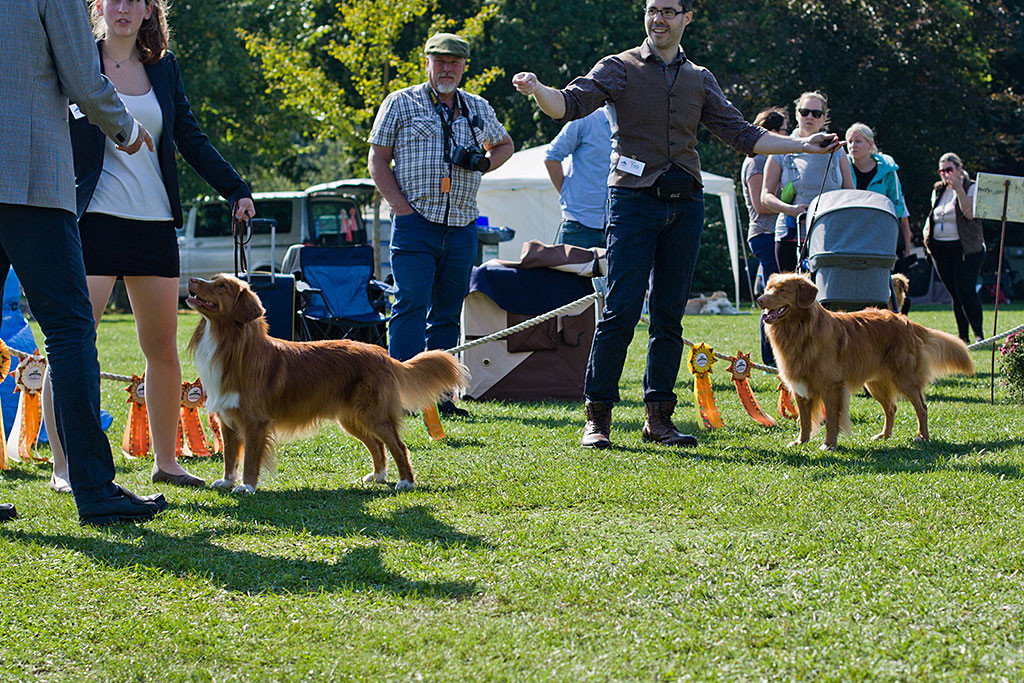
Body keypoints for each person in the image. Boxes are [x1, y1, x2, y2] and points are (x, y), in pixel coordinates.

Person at [512, 0, 841, 449]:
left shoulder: (699, 78)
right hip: (631, 202)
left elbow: (744, 135)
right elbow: (566, 105)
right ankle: (598, 418)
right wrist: (537, 89)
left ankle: (659, 419)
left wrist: (803, 145)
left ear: (687, 17)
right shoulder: (618, 67)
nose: (658, 18)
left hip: (685, 204)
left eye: (669, 10)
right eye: (652, 9)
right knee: (621, 310)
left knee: (669, 315)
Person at [41, 0, 255, 492]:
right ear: (98, 6)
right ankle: (63, 466)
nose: (124, 8)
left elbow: (189, 137)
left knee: (162, 350)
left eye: (135, 0)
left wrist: (236, 189)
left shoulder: (164, 67)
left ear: (147, 11)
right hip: (91, 221)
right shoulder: (75, 59)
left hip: (154, 224)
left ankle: (167, 462)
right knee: (73, 345)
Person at [1, 0, 167, 524]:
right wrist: (126, 129)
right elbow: (81, 74)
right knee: (71, 331)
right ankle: (94, 489)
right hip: (29, 178)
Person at [368, 33, 513, 417]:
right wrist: (400, 207)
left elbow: (505, 145)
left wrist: (484, 163)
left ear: (464, 66)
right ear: (427, 62)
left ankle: (442, 397)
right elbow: (377, 159)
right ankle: (400, 396)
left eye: (454, 62)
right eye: (440, 61)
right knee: (410, 304)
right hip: (414, 222)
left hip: (462, 224)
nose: (447, 68)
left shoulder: (477, 107)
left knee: (448, 312)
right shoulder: (401, 102)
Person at [761, 91, 854, 273]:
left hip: (829, 234)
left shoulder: (837, 150)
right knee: (791, 289)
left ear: (824, 118)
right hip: (791, 233)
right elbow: (765, 197)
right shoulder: (781, 148)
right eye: (805, 112)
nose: (809, 117)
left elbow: (850, 193)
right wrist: (790, 209)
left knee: (824, 289)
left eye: (816, 113)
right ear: (797, 114)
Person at [742, 107, 789, 367]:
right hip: (765, 233)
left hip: (775, 234)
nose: (787, 136)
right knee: (772, 298)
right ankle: (770, 359)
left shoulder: (769, 159)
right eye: (784, 131)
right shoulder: (758, 161)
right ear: (771, 132)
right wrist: (790, 204)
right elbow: (760, 205)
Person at [923, 152, 986, 343]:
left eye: (949, 169)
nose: (945, 174)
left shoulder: (971, 186)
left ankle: (979, 335)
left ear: (959, 168)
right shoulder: (938, 189)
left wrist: (958, 189)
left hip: (966, 248)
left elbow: (969, 214)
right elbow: (933, 216)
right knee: (955, 293)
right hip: (940, 249)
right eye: (941, 170)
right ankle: (963, 337)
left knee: (965, 290)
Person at [544, 106, 613, 249]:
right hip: (578, 224)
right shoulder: (586, 119)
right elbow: (551, 157)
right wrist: (566, 194)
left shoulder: (635, 126)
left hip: (617, 227)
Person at [845, 122, 912, 263]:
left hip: (880, 234)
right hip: (850, 234)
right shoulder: (841, 166)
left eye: (858, 141)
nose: (853, 145)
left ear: (870, 144)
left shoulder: (888, 170)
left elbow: (898, 207)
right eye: (850, 141)